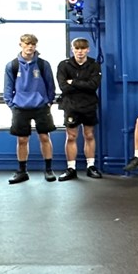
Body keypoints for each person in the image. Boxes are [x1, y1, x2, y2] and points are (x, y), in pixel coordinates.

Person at [3, 34, 56, 184]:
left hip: (41, 106)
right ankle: (22, 171)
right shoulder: (12, 65)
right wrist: (11, 105)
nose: (30, 47)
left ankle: (48, 169)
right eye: (27, 44)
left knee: (44, 137)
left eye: (32, 44)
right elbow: (8, 87)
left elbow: (50, 85)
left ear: (36, 46)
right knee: (22, 140)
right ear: (20, 45)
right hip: (20, 107)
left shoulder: (43, 64)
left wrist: (49, 102)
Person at [56, 38, 102, 180]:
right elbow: (64, 87)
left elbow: (93, 86)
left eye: (82, 49)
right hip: (71, 105)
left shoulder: (94, 65)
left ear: (88, 49)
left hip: (89, 105)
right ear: (72, 49)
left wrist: (74, 82)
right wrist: (82, 84)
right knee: (71, 136)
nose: (80, 52)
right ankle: (71, 168)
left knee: (89, 135)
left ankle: (91, 166)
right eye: (77, 49)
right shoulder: (64, 65)